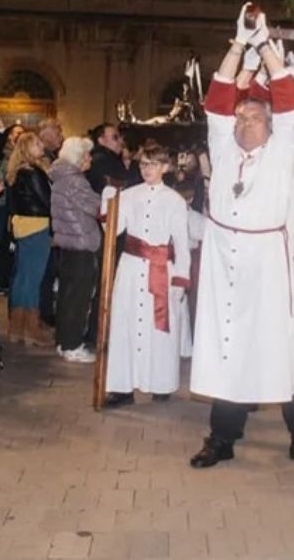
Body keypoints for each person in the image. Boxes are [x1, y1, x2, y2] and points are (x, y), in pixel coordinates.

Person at [188, 4, 294, 467]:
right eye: (241, 118)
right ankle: (221, 439)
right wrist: (238, 43)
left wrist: (264, 45)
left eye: (254, 119)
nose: (243, 123)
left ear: (270, 126)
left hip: (267, 261)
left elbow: (290, 101)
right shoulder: (223, 146)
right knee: (227, 350)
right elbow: (218, 97)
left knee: (278, 348)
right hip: (226, 260)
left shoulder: (284, 150)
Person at [103, 146, 191, 402]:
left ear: (165, 167)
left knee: (159, 328)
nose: (147, 169)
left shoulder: (174, 200)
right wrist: (109, 203)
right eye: (143, 164)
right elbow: (113, 230)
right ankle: (122, 386)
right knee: (126, 323)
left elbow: (182, 242)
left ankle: (160, 382)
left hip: (161, 269)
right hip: (131, 267)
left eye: (153, 164)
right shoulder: (129, 195)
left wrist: (180, 280)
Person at [49, 136, 103, 363]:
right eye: (88, 155)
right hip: (81, 242)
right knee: (78, 297)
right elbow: (95, 206)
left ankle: (64, 341)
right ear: (79, 158)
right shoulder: (75, 181)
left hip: (67, 242)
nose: (90, 158)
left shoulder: (61, 176)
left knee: (66, 295)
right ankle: (72, 344)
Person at [6, 132, 53, 346]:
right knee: (33, 279)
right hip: (37, 226)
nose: (41, 145)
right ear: (27, 148)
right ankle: (31, 330)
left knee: (22, 278)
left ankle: (17, 328)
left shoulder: (17, 171)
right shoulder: (33, 172)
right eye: (36, 143)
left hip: (23, 225)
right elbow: (47, 200)